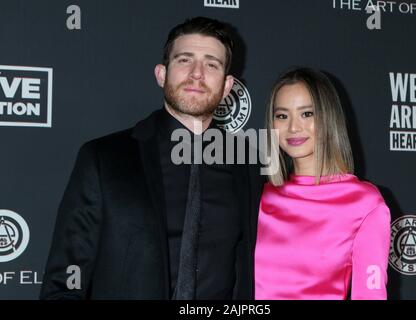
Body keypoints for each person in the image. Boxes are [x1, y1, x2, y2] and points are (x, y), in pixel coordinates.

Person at [40, 17, 263, 300]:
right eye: (185, 60)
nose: (197, 73)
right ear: (161, 74)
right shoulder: (104, 158)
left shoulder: (248, 166)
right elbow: (64, 283)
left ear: (228, 85)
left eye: (211, 64)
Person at [254, 68, 391, 300]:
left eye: (307, 114)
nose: (294, 127)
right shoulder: (260, 195)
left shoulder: (364, 203)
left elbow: (370, 295)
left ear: (328, 118)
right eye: (282, 116)